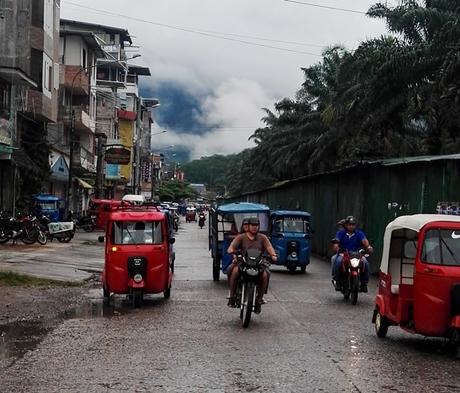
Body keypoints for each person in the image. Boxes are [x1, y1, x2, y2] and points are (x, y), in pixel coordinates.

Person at [227, 217, 277, 313]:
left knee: (266, 275)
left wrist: (273, 255)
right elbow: (232, 246)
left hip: (258, 263)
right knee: (233, 271)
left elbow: (269, 247)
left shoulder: (263, 238)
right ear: (248, 226)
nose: (254, 227)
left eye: (256, 225)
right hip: (244, 262)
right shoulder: (241, 237)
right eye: (252, 225)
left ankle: (259, 299)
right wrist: (232, 250)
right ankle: (232, 296)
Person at [331, 216, 373, 292]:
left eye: (353, 224)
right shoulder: (340, 233)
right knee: (336, 261)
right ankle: (337, 281)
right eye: (349, 224)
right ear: (346, 225)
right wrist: (336, 247)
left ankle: (364, 284)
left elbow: (365, 241)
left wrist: (369, 247)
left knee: (366, 263)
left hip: (357, 255)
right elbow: (336, 242)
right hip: (343, 254)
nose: (351, 226)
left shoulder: (359, 233)